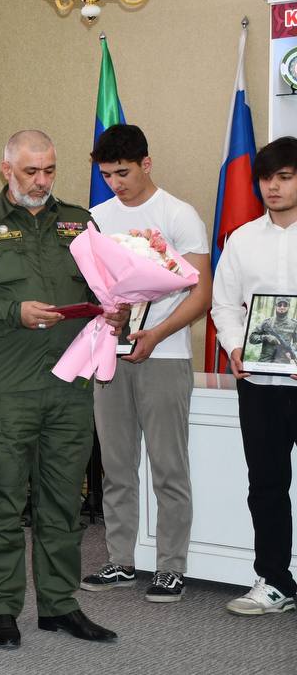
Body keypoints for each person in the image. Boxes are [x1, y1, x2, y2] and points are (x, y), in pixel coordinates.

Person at [0, 129, 126, 648]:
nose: (42, 181)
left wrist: (118, 312)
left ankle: (60, 605)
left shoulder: (80, 222)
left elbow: (106, 287)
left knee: (63, 502)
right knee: (2, 501)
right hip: (9, 389)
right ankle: (1, 609)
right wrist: (12, 311)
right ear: (7, 170)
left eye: (49, 170)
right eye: (30, 171)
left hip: (69, 385)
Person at [82, 124, 211, 603]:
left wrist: (156, 334)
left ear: (146, 163)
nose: (115, 183)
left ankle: (171, 567)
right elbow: (91, 286)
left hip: (165, 354)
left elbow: (201, 293)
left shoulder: (178, 214)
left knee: (168, 467)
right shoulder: (96, 218)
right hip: (110, 354)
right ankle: (120, 560)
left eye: (123, 172)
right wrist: (107, 314)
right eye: (107, 175)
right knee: (116, 465)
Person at [210, 135, 297, 616]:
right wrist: (234, 346)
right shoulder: (241, 240)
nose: (272, 187)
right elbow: (224, 304)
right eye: (265, 179)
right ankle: (275, 581)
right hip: (259, 385)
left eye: (284, 177)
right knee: (266, 485)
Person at [249, 297, 297, 366]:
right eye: (279, 305)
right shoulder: (267, 322)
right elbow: (251, 338)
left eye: (285, 305)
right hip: (264, 362)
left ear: (288, 307)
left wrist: (292, 349)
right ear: (275, 306)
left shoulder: (294, 324)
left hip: (283, 363)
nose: (282, 307)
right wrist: (265, 337)